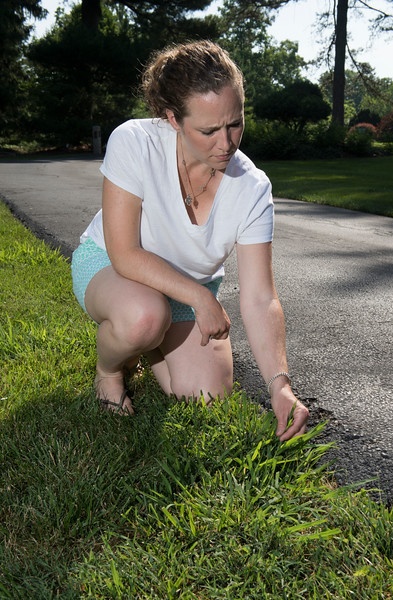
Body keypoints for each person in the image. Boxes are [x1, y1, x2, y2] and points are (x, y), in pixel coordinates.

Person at [71, 40, 308, 441]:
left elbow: (260, 297)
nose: (226, 142)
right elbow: (125, 253)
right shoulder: (135, 141)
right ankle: (110, 370)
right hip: (112, 266)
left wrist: (278, 384)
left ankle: (149, 341)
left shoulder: (252, 188)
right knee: (144, 316)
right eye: (209, 130)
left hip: (185, 291)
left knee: (207, 395)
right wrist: (201, 298)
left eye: (235, 123)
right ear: (172, 119)